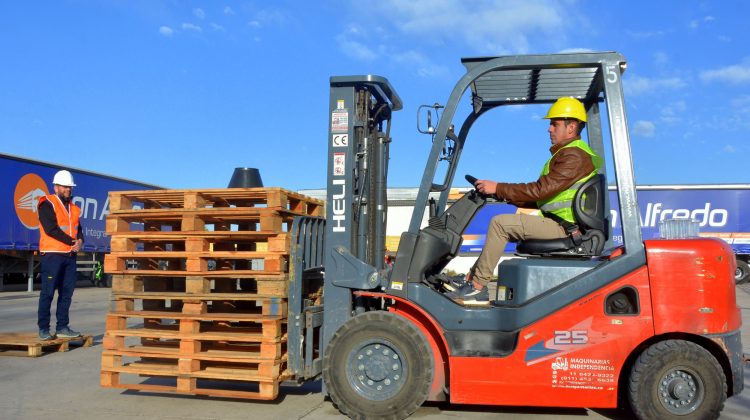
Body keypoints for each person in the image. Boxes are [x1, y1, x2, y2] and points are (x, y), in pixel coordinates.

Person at [449, 97, 602, 304]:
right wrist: (498, 193)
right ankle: (471, 278)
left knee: (500, 224)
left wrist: (499, 187)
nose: (549, 129)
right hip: (560, 224)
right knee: (504, 222)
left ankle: (477, 287)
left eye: (554, 124)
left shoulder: (573, 156)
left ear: (571, 127)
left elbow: (540, 190)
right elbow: (543, 196)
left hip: (566, 228)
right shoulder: (569, 154)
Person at [37, 170, 84, 340]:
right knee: (48, 292)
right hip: (52, 255)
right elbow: (51, 229)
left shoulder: (74, 208)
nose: (68, 190)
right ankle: (43, 329)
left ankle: (62, 327)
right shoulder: (47, 203)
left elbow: (79, 230)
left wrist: (79, 241)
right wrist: (72, 241)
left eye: (70, 187)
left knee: (66, 293)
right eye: (65, 187)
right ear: (56, 187)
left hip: (69, 257)